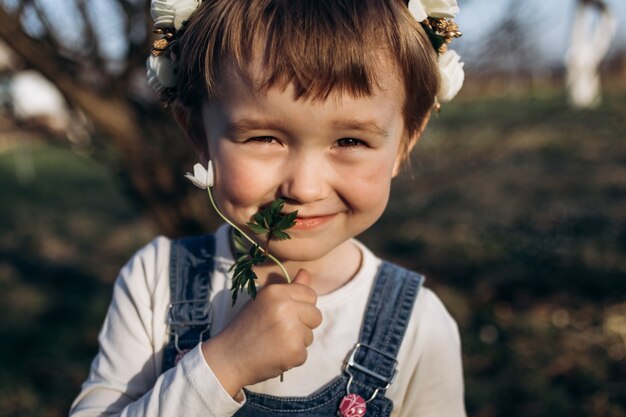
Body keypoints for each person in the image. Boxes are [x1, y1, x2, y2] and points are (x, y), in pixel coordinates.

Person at [70, 1, 466, 416]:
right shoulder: (155, 284)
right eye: (264, 138)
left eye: (350, 141)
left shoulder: (420, 326)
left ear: (404, 143)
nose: (305, 188)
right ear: (198, 134)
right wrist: (223, 366)